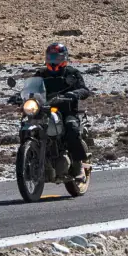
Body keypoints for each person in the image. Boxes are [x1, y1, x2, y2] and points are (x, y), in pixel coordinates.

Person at [37, 42, 94, 170]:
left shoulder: (72, 73)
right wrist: (19, 97)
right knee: (29, 126)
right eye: (51, 57)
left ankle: (78, 163)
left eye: (57, 57)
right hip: (45, 111)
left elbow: (85, 90)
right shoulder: (41, 74)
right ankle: (29, 156)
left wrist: (74, 94)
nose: (53, 61)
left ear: (64, 58)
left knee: (71, 128)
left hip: (67, 111)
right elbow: (32, 89)